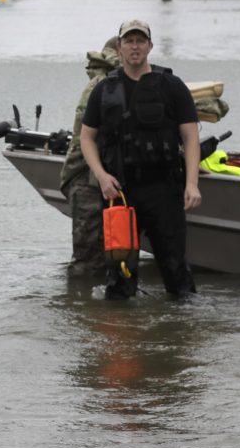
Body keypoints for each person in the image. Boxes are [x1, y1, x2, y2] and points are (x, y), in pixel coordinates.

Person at [79, 19, 201, 300]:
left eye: (140, 41)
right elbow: (87, 138)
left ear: (149, 46)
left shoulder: (171, 86)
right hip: (119, 192)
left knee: (176, 272)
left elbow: (191, 137)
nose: (135, 46)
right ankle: (122, 337)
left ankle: (180, 335)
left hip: (164, 190)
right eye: (129, 41)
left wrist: (192, 184)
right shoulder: (104, 89)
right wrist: (100, 176)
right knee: (120, 274)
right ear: (119, 47)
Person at [59, 36, 120, 276]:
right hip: (87, 180)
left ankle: (91, 309)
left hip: (102, 179)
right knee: (88, 262)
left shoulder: (111, 82)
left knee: (112, 255)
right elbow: (87, 138)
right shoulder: (101, 85)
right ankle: (81, 308)